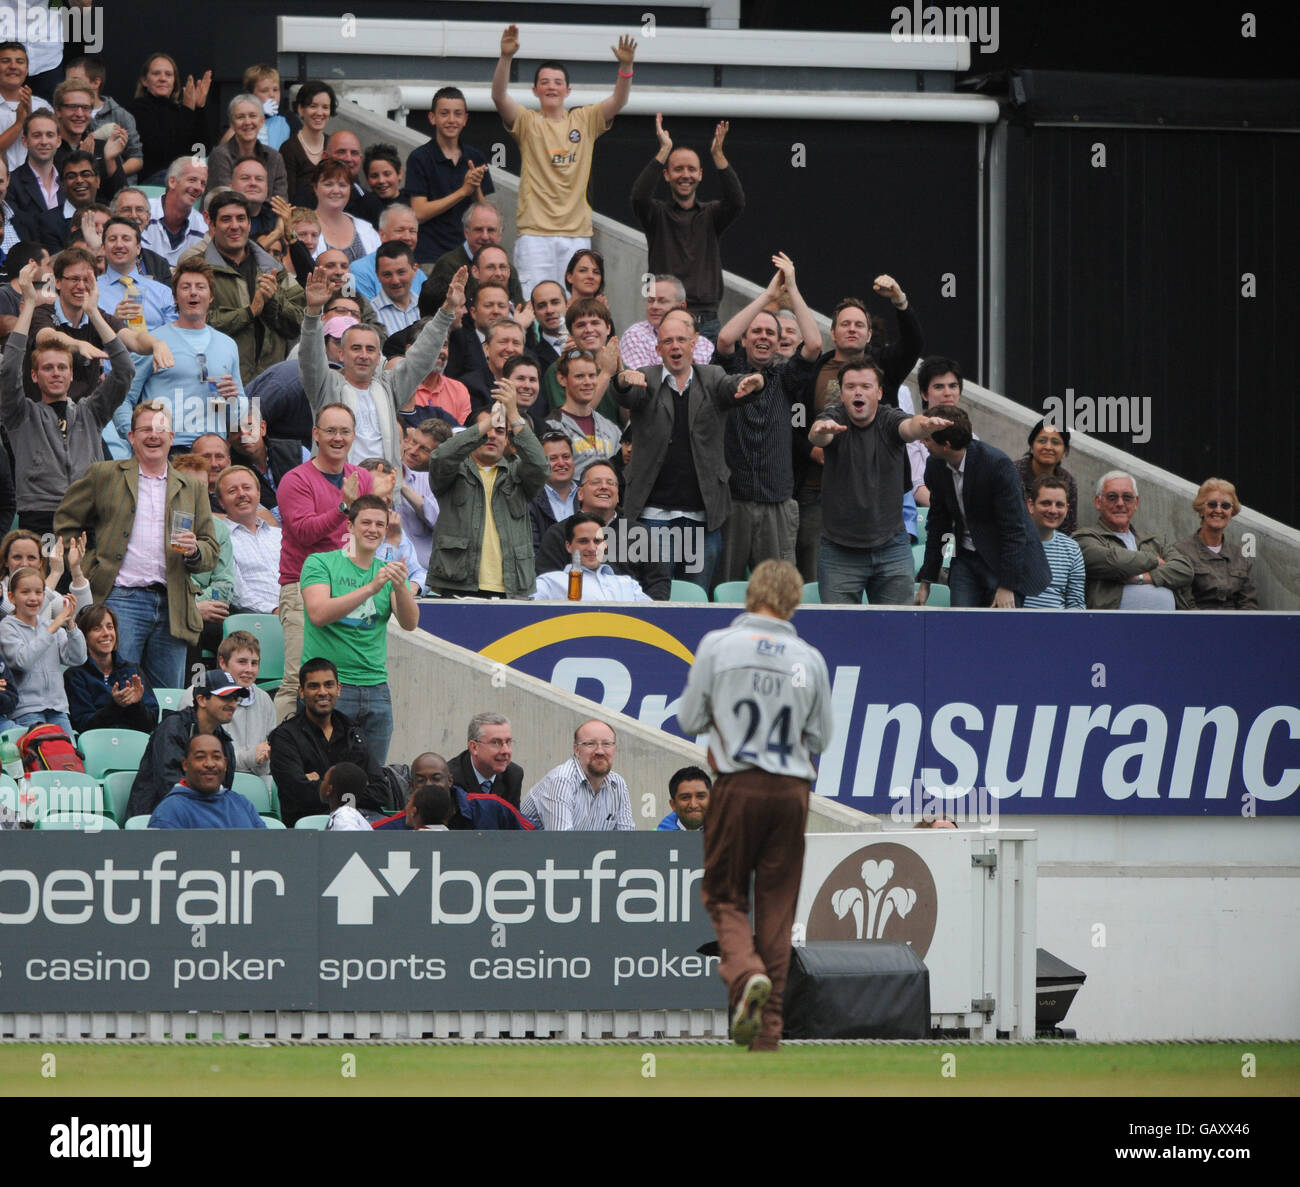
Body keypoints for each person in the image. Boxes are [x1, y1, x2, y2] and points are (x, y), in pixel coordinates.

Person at [678, 560, 833, 1050]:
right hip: (791, 792)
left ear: (750, 594)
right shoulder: (808, 657)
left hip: (737, 784)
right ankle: (768, 1037)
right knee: (778, 907)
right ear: (794, 601)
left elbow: (688, 718)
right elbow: (820, 736)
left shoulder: (719, 646)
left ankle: (745, 976)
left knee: (724, 894)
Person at [54, 400, 221, 690]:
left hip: (173, 605)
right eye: (145, 429)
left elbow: (210, 549)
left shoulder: (192, 487)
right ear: (131, 437)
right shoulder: (104, 474)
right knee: (116, 689)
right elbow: (66, 520)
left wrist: (195, 550)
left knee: (166, 698)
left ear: (171, 437)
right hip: (121, 600)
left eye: (160, 429)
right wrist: (90, 564)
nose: (153, 435)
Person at [611, 309, 765, 589]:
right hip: (653, 517)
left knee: (696, 598)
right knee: (658, 595)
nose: (675, 346)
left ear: (694, 343)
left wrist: (755, 383)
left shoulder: (712, 376)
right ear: (658, 349)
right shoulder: (647, 377)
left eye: (681, 339)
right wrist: (622, 380)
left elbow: (732, 387)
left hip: (701, 519)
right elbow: (628, 392)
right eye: (667, 341)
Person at [492, 23, 637, 297]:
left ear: (568, 90)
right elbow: (499, 97)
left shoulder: (584, 119)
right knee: (536, 303)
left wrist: (626, 68)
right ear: (535, 90)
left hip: (576, 233)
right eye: (545, 82)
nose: (551, 87)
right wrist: (506, 57)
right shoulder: (527, 122)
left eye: (557, 82)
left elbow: (618, 101)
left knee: (575, 307)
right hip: (535, 234)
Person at [794, 284, 924, 580]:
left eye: (859, 325)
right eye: (845, 324)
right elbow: (793, 423)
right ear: (834, 332)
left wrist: (899, 301)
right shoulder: (813, 369)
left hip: (881, 494)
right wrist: (811, 448)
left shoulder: (885, 365)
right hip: (820, 493)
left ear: (868, 334)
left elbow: (915, 343)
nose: (852, 329)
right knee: (820, 586)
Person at [1, 258, 134, 535]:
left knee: (83, 579)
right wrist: (28, 304)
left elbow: (124, 370)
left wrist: (93, 312)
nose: (56, 373)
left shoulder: (90, 412)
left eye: (62, 367)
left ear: (72, 375)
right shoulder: (21, 414)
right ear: (35, 376)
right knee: (48, 578)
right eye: (47, 368)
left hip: (87, 516)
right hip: (41, 518)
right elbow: (10, 367)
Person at [808, 357, 955, 605]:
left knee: (897, 630)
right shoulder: (833, 418)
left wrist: (925, 425)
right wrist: (820, 431)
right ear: (842, 394)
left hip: (891, 547)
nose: (858, 392)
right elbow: (818, 435)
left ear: (878, 392)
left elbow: (910, 427)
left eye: (865, 386)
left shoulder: (889, 418)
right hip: (839, 550)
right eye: (850, 386)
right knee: (840, 630)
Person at [714, 252, 822, 582]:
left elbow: (815, 344)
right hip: (734, 502)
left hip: (777, 502)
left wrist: (792, 287)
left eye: (770, 333)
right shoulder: (730, 372)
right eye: (756, 331)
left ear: (778, 342)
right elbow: (724, 338)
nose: (763, 337)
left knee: (779, 592)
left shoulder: (786, 378)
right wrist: (767, 296)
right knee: (727, 588)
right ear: (747, 338)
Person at [300, 262, 461, 471]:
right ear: (341, 353)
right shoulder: (325, 385)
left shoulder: (389, 387)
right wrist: (313, 312)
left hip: (384, 491)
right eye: (356, 348)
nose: (363, 355)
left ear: (379, 357)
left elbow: (421, 357)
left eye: (370, 349)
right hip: (339, 491)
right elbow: (310, 359)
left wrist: (447, 311)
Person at [300, 493, 418, 765]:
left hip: (376, 687)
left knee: (372, 780)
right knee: (324, 773)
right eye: (366, 522)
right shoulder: (320, 562)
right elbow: (318, 613)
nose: (373, 530)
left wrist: (400, 586)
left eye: (380, 524)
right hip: (329, 686)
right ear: (350, 526)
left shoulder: (387, 571)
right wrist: (370, 588)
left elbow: (410, 623)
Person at [915, 406, 1052, 608]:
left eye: (927, 439)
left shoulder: (997, 465)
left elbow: (1013, 530)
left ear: (946, 444)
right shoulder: (935, 467)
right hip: (965, 560)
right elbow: (938, 525)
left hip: (1003, 562)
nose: (922, 442)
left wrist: (1007, 586)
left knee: (999, 633)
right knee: (961, 627)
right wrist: (926, 580)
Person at [425, 383, 549, 598]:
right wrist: (491, 421)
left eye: (500, 431)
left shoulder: (518, 473)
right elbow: (440, 456)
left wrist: (512, 413)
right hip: (457, 585)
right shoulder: (452, 471)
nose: (492, 435)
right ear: (472, 434)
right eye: (486, 429)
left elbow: (541, 466)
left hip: (511, 589)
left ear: (507, 440)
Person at [114, 259, 249, 450]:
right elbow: (122, 398)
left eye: (200, 287)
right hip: (167, 450)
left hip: (212, 453)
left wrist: (233, 400)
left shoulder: (228, 345)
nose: (193, 292)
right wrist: (135, 438)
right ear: (175, 297)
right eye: (186, 287)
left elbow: (239, 416)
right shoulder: (153, 342)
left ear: (211, 297)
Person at [631, 116, 743, 341]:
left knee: (708, 377)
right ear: (666, 175)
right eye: (678, 169)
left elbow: (737, 201)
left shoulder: (711, 215)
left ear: (700, 174)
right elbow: (639, 197)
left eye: (692, 169)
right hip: (665, 320)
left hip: (706, 323)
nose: (685, 175)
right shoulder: (657, 215)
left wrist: (718, 156)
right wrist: (664, 149)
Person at [268, 656, 395, 826]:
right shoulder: (285, 737)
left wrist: (322, 785)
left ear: (339, 689)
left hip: (362, 820)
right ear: (301, 692)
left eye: (328, 685)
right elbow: (298, 794)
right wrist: (355, 789)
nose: (322, 692)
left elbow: (380, 791)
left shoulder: (353, 731)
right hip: (311, 829)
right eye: (314, 686)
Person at [199, 190, 305, 384]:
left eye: (241, 218)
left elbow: (299, 322)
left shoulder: (273, 268)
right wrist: (249, 312)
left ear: (249, 224)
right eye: (225, 220)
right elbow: (196, 324)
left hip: (270, 382)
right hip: (219, 383)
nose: (234, 226)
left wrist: (274, 300)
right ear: (212, 225)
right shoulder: (197, 269)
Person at [534, 459, 671, 600]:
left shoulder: (639, 534)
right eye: (596, 482)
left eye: (611, 483)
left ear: (618, 495)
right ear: (580, 493)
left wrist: (646, 616)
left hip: (631, 616)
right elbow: (547, 584)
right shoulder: (558, 533)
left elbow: (658, 583)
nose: (604, 487)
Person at [125, 669, 240, 820]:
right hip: (157, 820)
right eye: (225, 697)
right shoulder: (172, 728)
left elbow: (223, 791)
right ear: (202, 699)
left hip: (201, 821)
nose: (232, 704)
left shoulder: (224, 741)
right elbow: (170, 787)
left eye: (235, 698)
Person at [1073, 470, 1194, 611]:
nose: (1120, 503)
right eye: (1112, 497)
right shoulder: (1084, 538)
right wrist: (1155, 561)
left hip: (1168, 627)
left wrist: (1144, 577)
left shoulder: (1154, 541)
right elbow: (1114, 561)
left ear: (1136, 503)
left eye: (1127, 497)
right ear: (1098, 502)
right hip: (1112, 627)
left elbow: (1185, 569)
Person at [406, 85, 493, 268]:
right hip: (432, 257)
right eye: (444, 113)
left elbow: (486, 214)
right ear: (432, 118)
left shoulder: (475, 157)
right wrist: (463, 191)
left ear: (465, 119)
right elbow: (418, 213)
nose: (451, 120)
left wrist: (475, 187)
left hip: (472, 255)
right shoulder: (419, 158)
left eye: (458, 114)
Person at [178, 629, 277, 789]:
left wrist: (264, 757)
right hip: (211, 782)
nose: (249, 669)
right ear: (223, 663)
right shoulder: (197, 693)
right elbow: (198, 758)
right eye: (242, 662)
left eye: (254, 663)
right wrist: (251, 757)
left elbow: (269, 761)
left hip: (258, 783)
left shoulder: (265, 700)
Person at [0, 565, 85, 730]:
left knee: (68, 755)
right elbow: (22, 661)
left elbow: (78, 658)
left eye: (39, 592)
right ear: (11, 597)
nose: (33, 598)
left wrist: (70, 624)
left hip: (58, 710)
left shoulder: (50, 625)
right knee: (37, 755)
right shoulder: (6, 627)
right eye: (25, 592)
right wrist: (53, 627)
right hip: (27, 712)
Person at [520, 718, 635, 831]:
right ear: (576, 750)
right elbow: (561, 843)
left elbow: (627, 841)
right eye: (590, 744)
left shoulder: (618, 784)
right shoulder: (561, 781)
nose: (600, 751)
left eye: (606, 744)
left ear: (615, 749)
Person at [375, 752, 535, 830]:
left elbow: (540, 839)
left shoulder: (491, 807)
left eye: (436, 778)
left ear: (450, 781)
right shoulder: (393, 827)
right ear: (411, 787)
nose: (429, 785)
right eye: (420, 780)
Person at [64, 602, 158, 734]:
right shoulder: (75, 676)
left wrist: (136, 705)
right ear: (84, 637)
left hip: (134, 745)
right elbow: (82, 725)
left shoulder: (133, 670)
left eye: (110, 627)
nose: (106, 633)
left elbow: (151, 724)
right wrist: (115, 706)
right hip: (97, 748)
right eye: (97, 628)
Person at [147, 732, 266, 829]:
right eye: (200, 757)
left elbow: (266, 849)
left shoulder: (242, 804)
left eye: (216, 757)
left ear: (225, 764)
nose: (209, 764)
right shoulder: (169, 811)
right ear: (185, 764)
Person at [127, 52, 210, 185]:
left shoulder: (180, 111)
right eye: (156, 73)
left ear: (174, 81)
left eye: (168, 74)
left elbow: (201, 153)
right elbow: (162, 151)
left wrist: (199, 109)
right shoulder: (136, 110)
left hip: (183, 182)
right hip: (152, 182)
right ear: (144, 80)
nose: (163, 78)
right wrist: (188, 111)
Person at [1176, 478, 1257, 610]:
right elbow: (1185, 604)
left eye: (1225, 506)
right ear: (1201, 510)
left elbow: (1248, 605)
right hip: (1198, 625)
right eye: (1212, 504)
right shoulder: (1181, 552)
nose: (1218, 510)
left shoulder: (1240, 557)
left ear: (1232, 512)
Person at [532, 512, 650, 601]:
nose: (592, 548)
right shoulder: (550, 582)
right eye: (583, 541)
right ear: (568, 546)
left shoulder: (628, 584)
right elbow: (521, 610)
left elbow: (656, 618)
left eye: (597, 541)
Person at [216, 465, 282, 614]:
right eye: (232, 491)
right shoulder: (220, 539)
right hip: (256, 621)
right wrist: (275, 610)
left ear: (258, 494)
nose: (241, 494)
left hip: (297, 615)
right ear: (221, 502)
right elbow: (237, 592)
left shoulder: (280, 536)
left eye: (247, 487)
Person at [545, 347, 622, 475]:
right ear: (562, 379)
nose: (588, 382)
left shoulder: (611, 428)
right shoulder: (551, 427)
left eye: (592, 376)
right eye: (579, 376)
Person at [619, 274, 715, 370]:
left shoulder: (704, 345)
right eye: (650, 300)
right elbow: (642, 379)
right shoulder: (635, 336)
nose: (654, 306)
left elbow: (708, 382)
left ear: (682, 306)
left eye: (662, 301)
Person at [98, 215, 175, 329]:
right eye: (112, 239)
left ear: (138, 248)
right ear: (103, 248)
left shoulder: (163, 293)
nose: (119, 245)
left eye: (126, 239)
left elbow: (175, 335)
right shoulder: (91, 291)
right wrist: (112, 323)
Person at [1022, 474, 1087, 609]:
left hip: (1058, 627)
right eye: (1046, 503)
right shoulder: (1011, 542)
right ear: (1030, 505)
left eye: (1059, 505)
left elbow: (1076, 603)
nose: (1053, 510)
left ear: (1067, 508)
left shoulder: (1072, 549)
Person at [206, 94, 288, 199]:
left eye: (253, 116)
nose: (247, 122)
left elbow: (281, 204)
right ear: (232, 124)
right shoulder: (220, 156)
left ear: (262, 121)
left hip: (267, 215)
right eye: (240, 117)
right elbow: (224, 200)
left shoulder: (275, 158)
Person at [140, 156, 208, 267]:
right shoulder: (141, 212)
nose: (198, 187)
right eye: (192, 180)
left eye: (203, 183)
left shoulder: (204, 227)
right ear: (172, 182)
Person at [1016, 418, 1080, 536]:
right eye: (1042, 440)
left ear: (1065, 451)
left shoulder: (1068, 481)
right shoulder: (1012, 472)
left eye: (1055, 442)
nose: (1048, 447)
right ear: (1032, 445)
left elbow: (1069, 528)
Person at [446, 712, 524, 808]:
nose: (506, 751)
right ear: (474, 747)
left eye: (508, 742)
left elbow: (513, 820)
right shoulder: (450, 778)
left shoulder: (513, 775)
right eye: (495, 742)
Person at [349, 203, 425, 301]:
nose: (407, 237)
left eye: (412, 231)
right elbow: (365, 314)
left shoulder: (419, 275)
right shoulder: (359, 271)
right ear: (382, 235)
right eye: (399, 230)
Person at [309, 159, 379, 264]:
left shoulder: (366, 229)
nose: (336, 191)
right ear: (315, 188)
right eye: (328, 184)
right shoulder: (300, 227)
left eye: (342, 185)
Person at [0, 41, 53, 172]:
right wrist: (19, 124)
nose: (13, 66)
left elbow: (50, 146)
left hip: (34, 183)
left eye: (20, 61)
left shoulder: (42, 106)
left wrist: (31, 120)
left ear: (27, 69)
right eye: (6, 61)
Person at [279, 80, 335, 198]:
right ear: (300, 109)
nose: (320, 113)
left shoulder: (334, 144)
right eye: (313, 106)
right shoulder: (289, 149)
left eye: (325, 107)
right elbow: (288, 196)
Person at [529, 430, 576, 552]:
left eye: (566, 457)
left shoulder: (588, 492)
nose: (561, 463)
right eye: (553, 458)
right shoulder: (529, 500)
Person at [369, 241, 421, 336]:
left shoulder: (426, 308)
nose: (395, 281)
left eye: (401, 272)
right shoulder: (370, 314)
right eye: (387, 274)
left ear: (414, 270)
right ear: (377, 275)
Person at [320, 761, 375, 830]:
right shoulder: (348, 814)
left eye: (324, 780)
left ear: (329, 790)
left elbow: (351, 839)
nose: (321, 783)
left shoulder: (343, 817)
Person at [657, 765, 711, 831]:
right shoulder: (657, 839)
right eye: (685, 797)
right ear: (673, 804)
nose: (693, 805)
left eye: (700, 796)